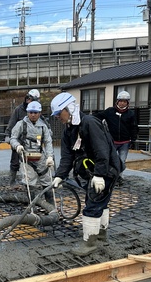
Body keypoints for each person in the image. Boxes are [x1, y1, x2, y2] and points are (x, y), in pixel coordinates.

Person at [50, 93, 124, 257]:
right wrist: (59, 176)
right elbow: (67, 157)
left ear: (69, 109)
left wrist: (99, 175)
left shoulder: (89, 123)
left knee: (93, 203)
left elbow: (102, 150)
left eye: (58, 114)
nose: (57, 118)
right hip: (95, 172)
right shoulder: (69, 131)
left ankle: (90, 243)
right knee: (100, 202)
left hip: (106, 170)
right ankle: (101, 235)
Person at [9, 101, 54, 206]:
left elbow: (48, 142)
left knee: (47, 181)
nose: (33, 115)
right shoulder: (21, 125)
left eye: (35, 112)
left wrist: (50, 157)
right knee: (30, 184)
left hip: (40, 157)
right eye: (31, 112)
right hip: (26, 158)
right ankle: (32, 208)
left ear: (39, 113)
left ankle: (51, 206)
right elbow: (13, 138)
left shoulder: (43, 127)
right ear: (27, 113)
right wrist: (17, 146)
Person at [94, 91, 137, 185]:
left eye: (125, 101)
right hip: (111, 141)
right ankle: (108, 175)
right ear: (117, 101)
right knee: (109, 159)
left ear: (128, 103)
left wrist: (133, 139)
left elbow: (133, 127)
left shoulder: (131, 114)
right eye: (121, 101)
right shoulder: (110, 111)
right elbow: (98, 117)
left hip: (125, 142)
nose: (122, 103)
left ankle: (119, 177)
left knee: (121, 161)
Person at [4, 89, 40, 186]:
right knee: (15, 161)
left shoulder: (37, 111)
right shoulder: (19, 110)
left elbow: (42, 125)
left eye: (31, 99)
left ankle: (29, 181)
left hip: (32, 142)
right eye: (27, 98)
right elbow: (12, 122)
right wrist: (8, 135)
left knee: (33, 162)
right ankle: (12, 181)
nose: (28, 100)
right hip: (18, 140)